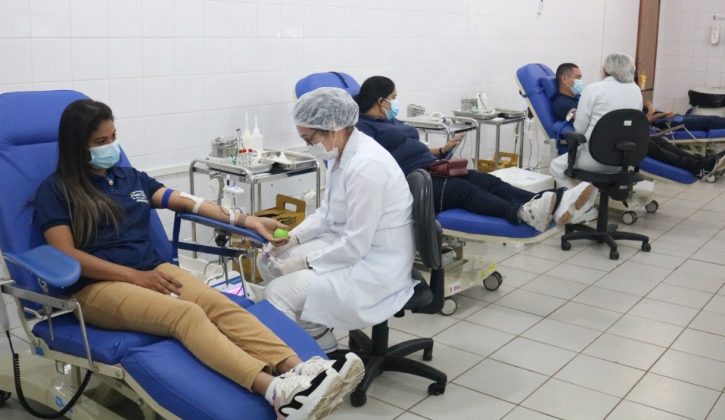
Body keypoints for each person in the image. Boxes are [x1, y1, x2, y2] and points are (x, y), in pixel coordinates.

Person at [34, 99, 364, 420]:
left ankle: (301, 371)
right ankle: (276, 392)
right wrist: (135, 277)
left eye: (113, 137)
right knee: (186, 314)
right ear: (77, 146)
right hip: (97, 287)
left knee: (218, 303)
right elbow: (66, 255)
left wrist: (246, 220)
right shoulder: (58, 191)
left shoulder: (128, 178)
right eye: (100, 142)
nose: (110, 146)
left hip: (152, 271)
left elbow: (186, 201)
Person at [257, 87, 418, 353]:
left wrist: (304, 262)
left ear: (332, 128)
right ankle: (318, 335)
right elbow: (327, 213)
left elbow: (355, 246)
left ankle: (306, 361)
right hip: (351, 245)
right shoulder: (339, 153)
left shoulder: (366, 167)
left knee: (278, 293)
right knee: (268, 261)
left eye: (309, 139)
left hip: (376, 263)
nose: (309, 147)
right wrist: (293, 239)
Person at [353, 75, 595, 230]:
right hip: (414, 182)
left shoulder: (390, 122)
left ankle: (556, 200)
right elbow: (378, 161)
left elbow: (412, 148)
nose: (396, 103)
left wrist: (441, 150)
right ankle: (522, 212)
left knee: (488, 181)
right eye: (393, 98)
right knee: (464, 191)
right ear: (380, 101)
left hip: (432, 168)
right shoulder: (363, 128)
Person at [553, 62, 725, 179]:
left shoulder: (582, 96)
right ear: (564, 79)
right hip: (603, 142)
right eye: (578, 77)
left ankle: (700, 163)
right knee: (649, 145)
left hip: (615, 134)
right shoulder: (561, 103)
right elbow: (583, 123)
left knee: (658, 142)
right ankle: (697, 165)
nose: (581, 81)